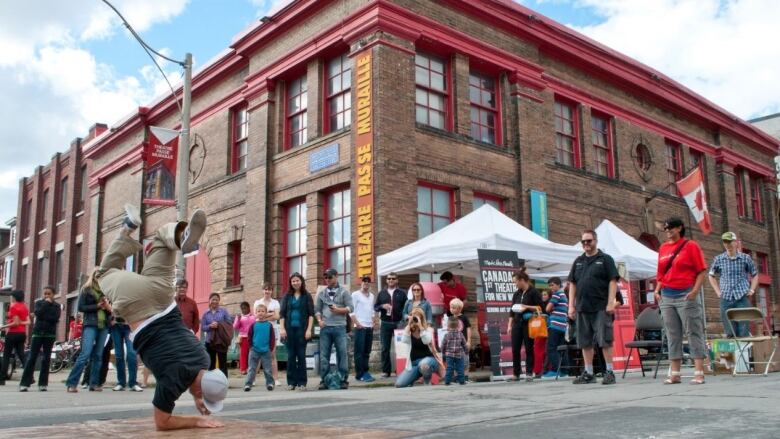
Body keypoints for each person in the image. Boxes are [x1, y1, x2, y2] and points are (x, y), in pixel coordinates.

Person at [91, 204, 226, 429]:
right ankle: (126, 230)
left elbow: (196, 376)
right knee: (102, 273)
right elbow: (162, 422)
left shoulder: (203, 358)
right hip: (136, 305)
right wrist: (198, 419)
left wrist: (198, 395)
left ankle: (173, 236)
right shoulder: (174, 381)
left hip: (163, 295)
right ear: (201, 389)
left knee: (163, 238)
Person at [654, 218, 708, 385]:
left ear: (679, 228)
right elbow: (661, 274)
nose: (668, 231)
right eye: (665, 228)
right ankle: (675, 373)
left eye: (671, 228)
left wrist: (695, 291)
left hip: (686, 293)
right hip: (667, 295)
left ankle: (699, 372)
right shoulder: (663, 248)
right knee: (672, 334)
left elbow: (702, 271)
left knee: (693, 331)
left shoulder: (690, 246)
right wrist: (657, 290)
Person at [567, 229, 620, 385]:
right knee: (585, 342)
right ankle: (589, 373)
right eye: (583, 241)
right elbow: (572, 284)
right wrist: (571, 306)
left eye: (589, 241)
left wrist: (611, 302)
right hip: (582, 307)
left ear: (595, 241)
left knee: (605, 340)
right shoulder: (578, 261)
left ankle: (609, 372)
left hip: (600, 307)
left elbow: (612, 281)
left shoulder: (605, 259)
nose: (586, 244)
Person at [708, 231, 759, 337]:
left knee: (743, 331)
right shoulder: (719, 259)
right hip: (725, 298)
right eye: (725, 242)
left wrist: (752, 290)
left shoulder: (745, 258)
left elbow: (755, 275)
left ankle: (745, 353)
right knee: (730, 332)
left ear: (736, 243)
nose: (728, 244)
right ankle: (735, 353)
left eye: (730, 242)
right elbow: (711, 275)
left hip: (742, 298)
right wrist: (718, 292)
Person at [66, 276, 111, 392]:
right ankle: (72, 383)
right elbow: (81, 307)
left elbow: (110, 311)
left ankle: (94, 384)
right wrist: (97, 306)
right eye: (98, 275)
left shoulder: (106, 290)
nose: (100, 277)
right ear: (94, 276)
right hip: (90, 324)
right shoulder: (86, 289)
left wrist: (106, 307)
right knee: (85, 354)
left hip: (104, 325)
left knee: (98, 356)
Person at [315, 268, 353, 390]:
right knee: (324, 355)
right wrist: (319, 320)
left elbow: (351, 308)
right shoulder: (322, 293)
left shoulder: (344, 292)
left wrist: (339, 310)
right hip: (325, 328)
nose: (327, 279)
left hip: (340, 327)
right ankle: (324, 380)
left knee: (342, 354)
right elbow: (317, 310)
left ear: (336, 276)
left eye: (330, 277)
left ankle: (343, 380)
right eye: (325, 277)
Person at [279, 273, 315, 391]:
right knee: (290, 356)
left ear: (301, 281)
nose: (295, 283)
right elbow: (282, 314)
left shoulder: (307, 295)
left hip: (302, 330)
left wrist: (309, 330)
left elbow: (311, 314)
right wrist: (282, 329)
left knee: (301, 356)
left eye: (297, 280)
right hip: (289, 330)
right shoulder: (287, 296)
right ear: (290, 283)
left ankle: (302, 382)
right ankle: (291, 382)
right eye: (293, 281)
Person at [507, 268, 543, 382]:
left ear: (522, 280)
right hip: (517, 323)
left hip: (529, 323)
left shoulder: (534, 292)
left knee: (528, 348)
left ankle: (528, 373)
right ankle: (516, 374)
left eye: (516, 282)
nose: (515, 284)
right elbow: (512, 311)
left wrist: (527, 307)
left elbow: (541, 308)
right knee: (515, 349)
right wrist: (509, 325)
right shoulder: (516, 294)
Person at [395, 308, 442, 387]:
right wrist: (408, 325)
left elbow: (426, 341)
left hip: (429, 360)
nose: (415, 319)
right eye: (413, 316)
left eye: (417, 317)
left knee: (423, 364)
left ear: (421, 318)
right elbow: (404, 340)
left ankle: (427, 381)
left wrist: (421, 327)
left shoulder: (427, 329)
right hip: (414, 364)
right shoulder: (409, 330)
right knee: (399, 384)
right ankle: (414, 376)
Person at [374, 272, 407, 378]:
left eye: (393, 278)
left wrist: (404, 318)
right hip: (385, 323)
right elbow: (375, 307)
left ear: (397, 280)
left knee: (401, 348)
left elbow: (406, 307)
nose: (391, 280)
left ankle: (401, 369)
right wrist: (382, 306)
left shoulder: (402, 293)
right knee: (385, 348)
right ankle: (386, 371)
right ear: (386, 280)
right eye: (389, 279)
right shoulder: (381, 293)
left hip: (399, 323)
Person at [244, 303, 276, 392]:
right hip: (254, 350)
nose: (261, 313)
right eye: (258, 311)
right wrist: (251, 347)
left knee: (267, 369)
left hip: (266, 350)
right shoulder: (253, 325)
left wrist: (271, 348)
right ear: (256, 313)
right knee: (251, 368)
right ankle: (248, 384)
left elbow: (272, 338)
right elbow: (249, 337)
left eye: (262, 311)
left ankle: (270, 383)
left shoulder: (269, 325)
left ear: (266, 313)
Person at [253, 282, 281, 384]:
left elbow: (277, 316)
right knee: (258, 355)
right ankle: (253, 379)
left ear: (272, 291)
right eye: (265, 289)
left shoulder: (275, 303)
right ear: (262, 290)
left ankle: (276, 379)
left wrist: (264, 315)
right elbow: (255, 316)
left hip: (272, 329)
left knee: (272, 355)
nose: (267, 291)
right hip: (260, 330)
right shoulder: (257, 302)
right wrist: (270, 314)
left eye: (269, 289)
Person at [0, 290, 30, 386]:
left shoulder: (14, 307)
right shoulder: (25, 307)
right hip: (22, 334)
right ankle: (30, 376)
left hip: (13, 333)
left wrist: (3, 326)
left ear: (14, 297)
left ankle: (2, 378)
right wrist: (21, 322)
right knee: (21, 355)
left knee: (6, 356)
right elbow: (28, 322)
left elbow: (15, 323)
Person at [351, 275, 376, 383]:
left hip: (369, 327)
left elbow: (372, 310)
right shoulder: (355, 295)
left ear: (370, 283)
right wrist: (357, 323)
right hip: (360, 327)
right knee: (359, 352)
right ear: (360, 283)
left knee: (367, 351)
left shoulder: (371, 296)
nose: (366, 283)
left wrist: (374, 321)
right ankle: (359, 374)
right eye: (364, 281)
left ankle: (365, 372)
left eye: (368, 281)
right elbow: (351, 311)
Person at [542, 277, 569, 379]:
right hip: (562, 326)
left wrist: (551, 307)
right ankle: (565, 371)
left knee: (551, 348)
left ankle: (557, 370)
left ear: (558, 284)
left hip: (555, 325)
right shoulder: (564, 295)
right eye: (549, 285)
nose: (551, 287)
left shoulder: (557, 294)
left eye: (552, 285)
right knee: (561, 349)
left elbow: (547, 308)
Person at [201, 293, 232, 378]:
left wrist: (219, 324)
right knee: (211, 363)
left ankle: (224, 381)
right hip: (210, 341)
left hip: (221, 341)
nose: (215, 301)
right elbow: (203, 327)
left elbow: (229, 323)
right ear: (209, 301)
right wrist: (210, 326)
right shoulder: (205, 313)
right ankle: (212, 381)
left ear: (219, 301)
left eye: (216, 299)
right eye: (213, 299)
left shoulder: (224, 311)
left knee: (223, 362)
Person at [111, 314, 143, 392]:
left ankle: (133, 383)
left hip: (129, 324)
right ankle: (121, 383)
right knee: (119, 355)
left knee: (131, 353)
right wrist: (110, 318)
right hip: (115, 325)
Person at [448, 298, 471, 380]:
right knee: (454, 359)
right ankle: (456, 376)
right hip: (454, 343)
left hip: (463, 343)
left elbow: (468, 328)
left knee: (465, 360)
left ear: (459, 308)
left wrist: (469, 340)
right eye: (451, 307)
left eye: (453, 307)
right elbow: (448, 330)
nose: (451, 309)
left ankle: (466, 376)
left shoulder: (464, 318)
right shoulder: (450, 318)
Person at [441, 317, 468, 385]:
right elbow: (464, 344)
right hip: (459, 354)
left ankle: (447, 381)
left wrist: (443, 352)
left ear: (448, 326)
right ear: (458, 326)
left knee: (449, 368)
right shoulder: (460, 334)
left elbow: (443, 345)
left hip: (449, 355)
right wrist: (466, 351)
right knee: (460, 368)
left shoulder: (446, 335)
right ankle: (462, 381)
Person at [233, 301, 254, 375]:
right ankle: (243, 369)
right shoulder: (239, 317)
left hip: (252, 337)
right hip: (243, 337)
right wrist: (238, 319)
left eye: (245, 308)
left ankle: (251, 368)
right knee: (243, 353)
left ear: (249, 308)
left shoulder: (253, 316)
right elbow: (235, 327)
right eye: (242, 309)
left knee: (252, 353)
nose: (244, 310)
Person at [533, 289, 550, 378]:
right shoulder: (540, 305)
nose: (543, 296)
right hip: (540, 330)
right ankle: (538, 370)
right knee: (538, 351)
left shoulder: (549, 305)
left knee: (544, 351)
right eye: (542, 295)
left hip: (545, 330)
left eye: (545, 294)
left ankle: (542, 370)